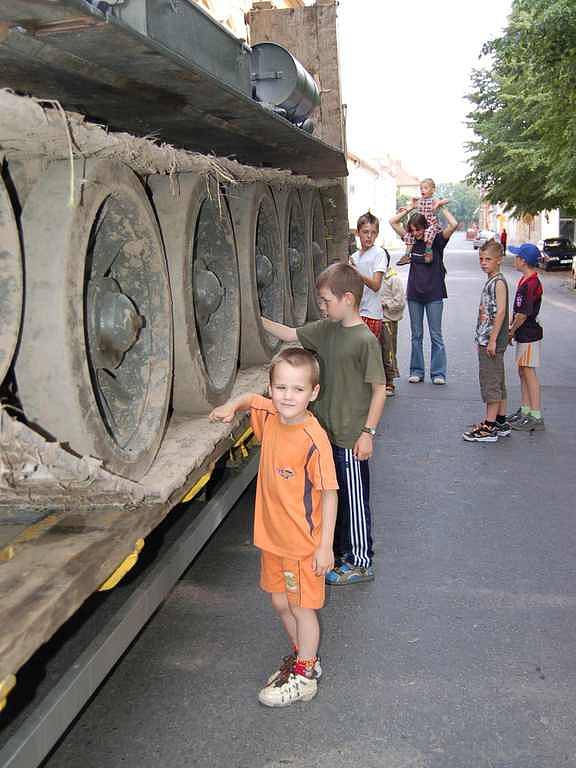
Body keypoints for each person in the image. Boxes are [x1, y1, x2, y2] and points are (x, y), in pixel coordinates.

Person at [208, 347, 338, 707]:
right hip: (271, 539)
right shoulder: (271, 415)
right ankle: (301, 657)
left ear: (314, 392)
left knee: (301, 608)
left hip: (300, 545)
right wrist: (230, 407)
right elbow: (251, 399)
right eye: (281, 388)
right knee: (281, 603)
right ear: (272, 387)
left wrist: (325, 545)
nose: (287, 396)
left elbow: (329, 494)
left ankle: (306, 673)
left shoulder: (315, 439)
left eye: (297, 389)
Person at [262, 262, 387, 586]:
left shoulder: (364, 340)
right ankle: (334, 553)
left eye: (326, 301)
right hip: (324, 436)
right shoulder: (327, 329)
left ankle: (360, 561)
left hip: (350, 438)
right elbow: (291, 335)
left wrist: (368, 433)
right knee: (328, 498)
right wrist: (255, 319)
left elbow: (379, 390)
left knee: (353, 500)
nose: (322, 306)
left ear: (348, 298)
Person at [389, 202, 458, 385]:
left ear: (425, 227)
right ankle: (416, 371)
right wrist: (411, 208)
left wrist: (439, 207)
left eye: (418, 229)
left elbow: (454, 225)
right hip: (414, 295)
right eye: (412, 230)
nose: (416, 233)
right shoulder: (410, 240)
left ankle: (438, 373)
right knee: (416, 335)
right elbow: (393, 222)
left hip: (434, 294)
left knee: (436, 335)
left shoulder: (435, 239)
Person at [463, 240, 510, 442]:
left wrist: (491, 340)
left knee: (491, 381)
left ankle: (489, 427)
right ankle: (500, 421)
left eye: (488, 259)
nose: (483, 263)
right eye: (481, 259)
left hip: (491, 341)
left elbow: (500, 312)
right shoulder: (492, 280)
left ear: (499, 260)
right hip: (487, 338)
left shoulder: (498, 282)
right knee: (498, 380)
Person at [507, 243, 545, 431]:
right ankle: (525, 409)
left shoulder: (531, 284)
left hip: (529, 334)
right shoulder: (526, 280)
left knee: (529, 372)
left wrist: (511, 330)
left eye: (517, 256)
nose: (514, 259)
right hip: (524, 334)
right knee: (522, 371)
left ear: (523, 261)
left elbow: (523, 314)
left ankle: (536, 415)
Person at [349, 211, 388, 339]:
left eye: (373, 232)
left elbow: (376, 285)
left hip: (371, 314)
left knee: (366, 357)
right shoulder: (354, 257)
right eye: (365, 232)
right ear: (357, 232)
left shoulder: (379, 253)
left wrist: (356, 272)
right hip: (355, 312)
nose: (369, 236)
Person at [397, 178, 450, 266]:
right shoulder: (420, 201)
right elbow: (411, 206)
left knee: (429, 233)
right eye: (421, 188)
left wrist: (439, 204)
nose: (422, 190)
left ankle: (428, 252)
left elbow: (447, 200)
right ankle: (406, 255)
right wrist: (405, 208)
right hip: (420, 223)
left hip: (430, 224)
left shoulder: (433, 200)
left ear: (433, 190)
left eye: (425, 188)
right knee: (409, 234)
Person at [379, 249, 405, 396]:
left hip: (388, 320)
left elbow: (400, 302)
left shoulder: (393, 278)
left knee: (388, 351)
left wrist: (385, 303)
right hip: (373, 318)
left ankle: (390, 381)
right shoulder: (374, 277)